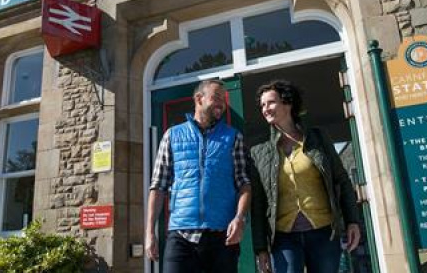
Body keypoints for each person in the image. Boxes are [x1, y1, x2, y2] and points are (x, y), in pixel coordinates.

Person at [249, 80, 361, 273]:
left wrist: (353, 221)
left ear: (287, 103)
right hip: (284, 238)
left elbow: (341, 179)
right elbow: (258, 205)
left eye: (270, 102)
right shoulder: (259, 153)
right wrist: (260, 249)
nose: (265, 109)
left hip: (324, 233)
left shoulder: (318, 138)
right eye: (262, 105)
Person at [145, 79, 252, 273]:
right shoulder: (172, 135)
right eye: (216, 97)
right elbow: (158, 187)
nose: (221, 103)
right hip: (181, 237)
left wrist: (240, 218)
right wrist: (149, 232)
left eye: (224, 99)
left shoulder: (233, 137)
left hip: (222, 237)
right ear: (199, 98)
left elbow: (243, 183)